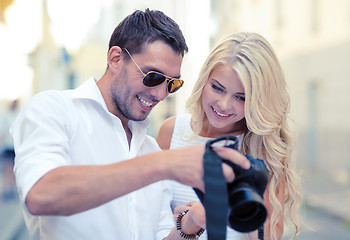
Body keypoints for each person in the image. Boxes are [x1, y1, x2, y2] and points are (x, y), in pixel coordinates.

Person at [10, 9, 251, 240]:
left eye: (171, 84)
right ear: (115, 58)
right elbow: (41, 194)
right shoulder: (54, 109)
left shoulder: (150, 149)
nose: (160, 94)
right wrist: (165, 164)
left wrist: (191, 225)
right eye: (153, 77)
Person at [157, 32, 303, 240]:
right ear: (204, 80)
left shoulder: (262, 147)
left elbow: (268, 236)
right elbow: (146, 222)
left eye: (241, 97)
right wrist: (189, 221)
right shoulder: (171, 132)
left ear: (258, 101)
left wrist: (237, 208)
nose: (223, 105)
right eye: (217, 88)